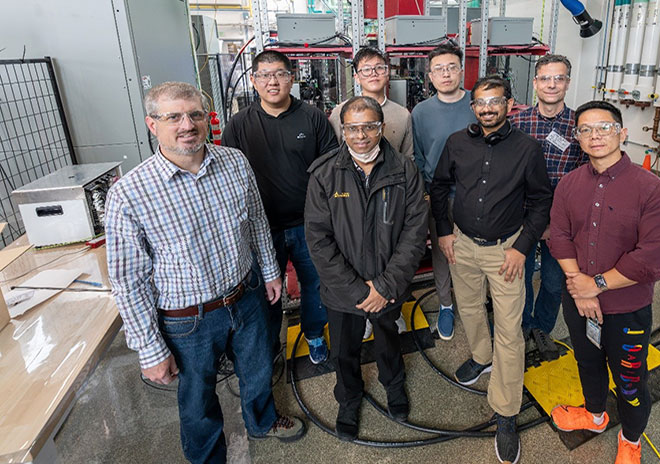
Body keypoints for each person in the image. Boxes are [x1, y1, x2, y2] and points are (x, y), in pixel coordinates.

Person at [106, 82, 305, 464]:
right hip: (187, 320)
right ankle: (208, 459)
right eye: (174, 117)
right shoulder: (130, 193)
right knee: (197, 401)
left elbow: (257, 223)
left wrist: (269, 272)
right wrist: (149, 349)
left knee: (259, 369)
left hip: (245, 297)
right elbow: (128, 280)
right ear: (152, 124)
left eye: (195, 114)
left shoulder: (234, 162)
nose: (187, 124)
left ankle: (261, 422)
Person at [548, 100, 660, 464]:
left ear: (623, 133)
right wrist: (580, 285)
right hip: (577, 301)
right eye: (586, 129)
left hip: (627, 310)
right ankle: (594, 416)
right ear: (577, 138)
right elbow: (558, 235)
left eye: (604, 127)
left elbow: (649, 257)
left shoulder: (652, 190)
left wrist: (597, 285)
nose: (595, 135)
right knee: (588, 363)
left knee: (630, 382)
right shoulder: (570, 184)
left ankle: (631, 438)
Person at [431, 76, 553, 464]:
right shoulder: (457, 143)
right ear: (474, 107)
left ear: (509, 104)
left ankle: (505, 411)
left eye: (494, 101)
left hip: (506, 252)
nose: (487, 108)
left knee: (509, 330)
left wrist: (521, 248)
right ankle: (482, 357)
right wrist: (445, 233)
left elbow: (540, 201)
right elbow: (438, 188)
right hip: (463, 244)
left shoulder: (528, 150)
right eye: (480, 102)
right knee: (468, 308)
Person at [305, 96, 428, 441]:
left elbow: (415, 231)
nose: (361, 135)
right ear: (342, 130)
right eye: (353, 128)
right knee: (344, 349)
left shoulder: (405, 171)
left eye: (369, 127)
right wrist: (360, 292)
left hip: (390, 285)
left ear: (381, 127)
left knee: (389, 340)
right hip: (343, 292)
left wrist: (386, 286)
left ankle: (394, 385)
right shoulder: (325, 173)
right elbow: (318, 238)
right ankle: (348, 398)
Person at [223, 50, 339, 364]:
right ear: (253, 80)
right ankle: (270, 344)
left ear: (291, 77)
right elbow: (228, 178)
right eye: (264, 75)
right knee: (265, 293)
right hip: (262, 230)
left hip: (309, 223)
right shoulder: (239, 124)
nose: (272, 81)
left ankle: (314, 333)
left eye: (279, 74)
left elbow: (330, 166)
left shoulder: (312, 117)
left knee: (315, 284)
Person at [328, 46, 413, 338]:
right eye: (366, 69)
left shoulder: (402, 115)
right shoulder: (340, 113)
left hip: (390, 200)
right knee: (356, 253)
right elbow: (334, 163)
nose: (373, 74)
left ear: (387, 72)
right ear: (356, 75)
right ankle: (363, 310)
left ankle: (392, 307)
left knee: (390, 255)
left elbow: (408, 159)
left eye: (379, 67)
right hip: (351, 201)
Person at [510, 54, 587, 357]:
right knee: (521, 278)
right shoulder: (517, 121)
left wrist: (558, 225)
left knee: (555, 283)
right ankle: (522, 325)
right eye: (545, 78)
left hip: (563, 223)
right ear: (535, 83)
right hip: (523, 219)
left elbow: (586, 178)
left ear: (568, 82)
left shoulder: (579, 126)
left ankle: (542, 327)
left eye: (559, 78)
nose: (551, 84)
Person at [411, 43, 477, 341]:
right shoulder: (421, 113)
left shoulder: (478, 105)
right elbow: (419, 156)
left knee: (475, 254)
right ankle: (446, 305)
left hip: (475, 196)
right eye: (439, 69)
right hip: (438, 196)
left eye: (451, 67)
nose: (446, 73)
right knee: (441, 253)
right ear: (430, 75)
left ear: (461, 70)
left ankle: (473, 303)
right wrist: (427, 193)